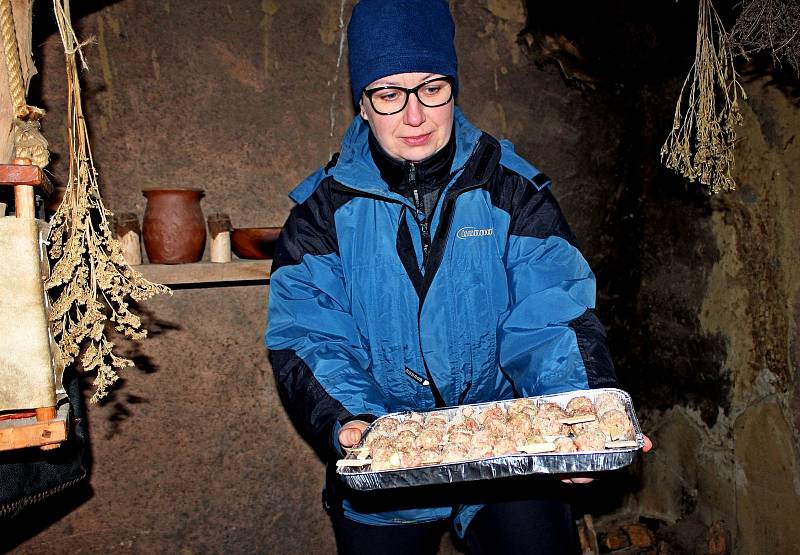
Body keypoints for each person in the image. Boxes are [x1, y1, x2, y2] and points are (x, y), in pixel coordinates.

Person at [266, 1, 651, 553]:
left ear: (453, 86)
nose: (414, 115)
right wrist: (356, 421)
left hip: (503, 449)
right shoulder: (321, 215)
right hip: (387, 451)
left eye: (431, 88)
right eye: (389, 94)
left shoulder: (512, 190)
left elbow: (551, 314)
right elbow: (311, 335)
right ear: (364, 105)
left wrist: (576, 415)